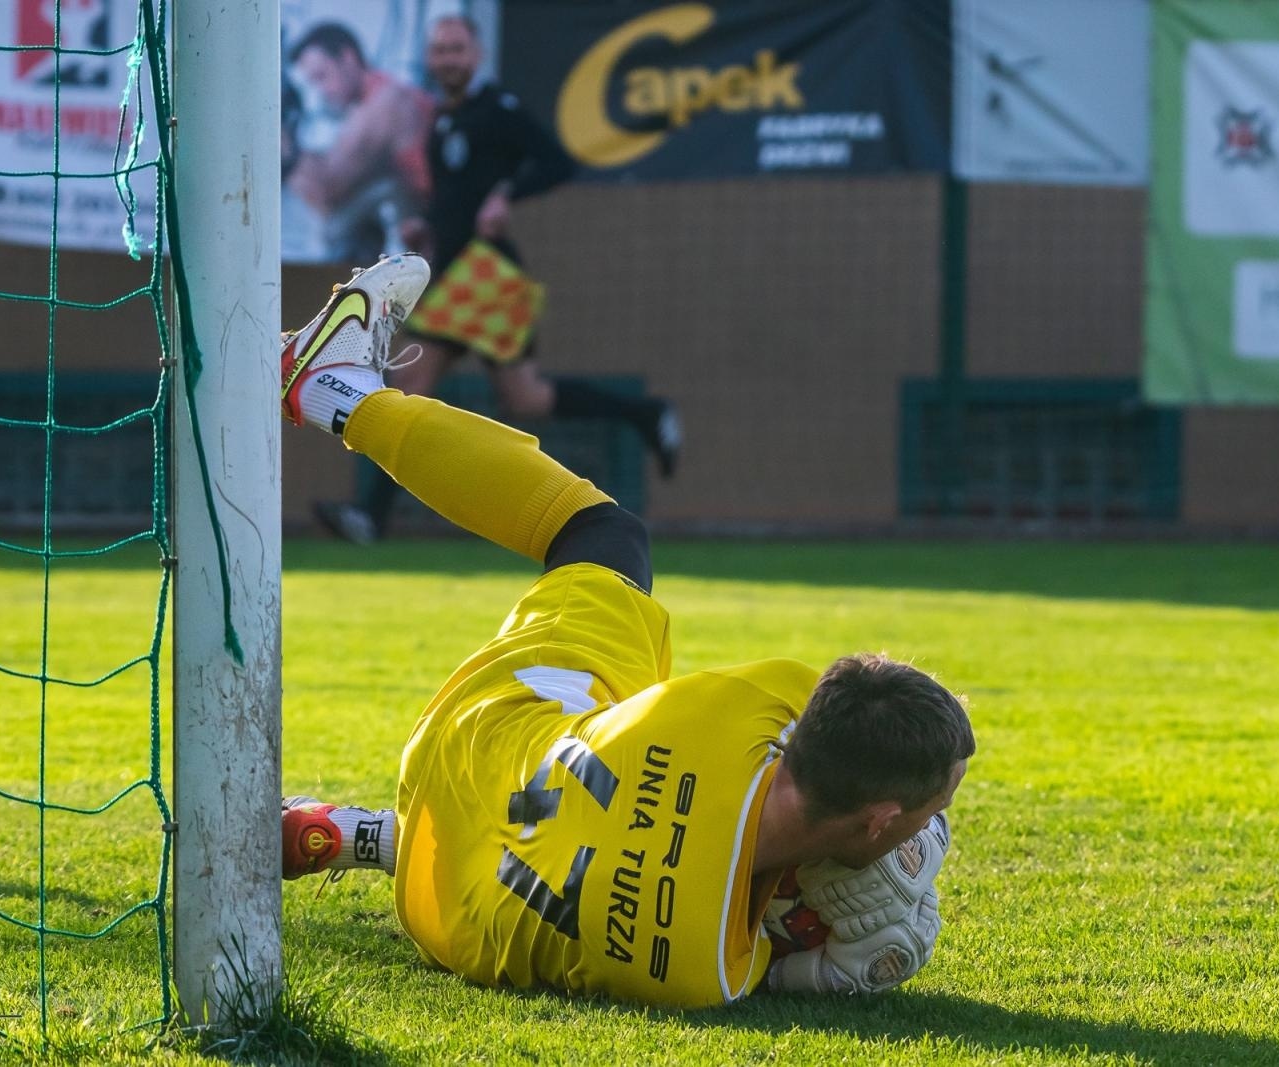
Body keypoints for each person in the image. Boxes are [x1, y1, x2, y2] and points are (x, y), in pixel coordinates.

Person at [278, 255, 974, 1006]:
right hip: (443, 910)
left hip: (473, 738)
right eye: (934, 815)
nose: (932, 831)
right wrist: (830, 925)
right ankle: (368, 835)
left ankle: (340, 392)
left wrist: (881, 828)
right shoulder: (705, 968)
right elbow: (785, 946)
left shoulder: (748, 707)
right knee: (558, 861)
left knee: (601, 534)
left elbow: (827, 731)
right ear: (879, 821)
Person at [313, 14, 682, 547]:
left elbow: (557, 161)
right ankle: (645, 414)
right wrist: (427, 225)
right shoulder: (442, 121)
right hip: (459, 276)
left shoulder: (499, 111)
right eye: (439, 51)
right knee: (500, 396)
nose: (447, 59)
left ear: (476, 54)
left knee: (470, 394)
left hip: (487, 275)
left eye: (457, 49)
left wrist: (506, 194)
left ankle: (370, 516)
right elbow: (452, 201)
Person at [284, 22, 436, 261]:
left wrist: (285, 151)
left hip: (428, 228)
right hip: (419, 228)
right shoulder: (363, 106)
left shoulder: (387, 100)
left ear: (348, 58)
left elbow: (326, 186)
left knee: (336, 228)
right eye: (312, 82)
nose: (321, 91)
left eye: (322, 76)